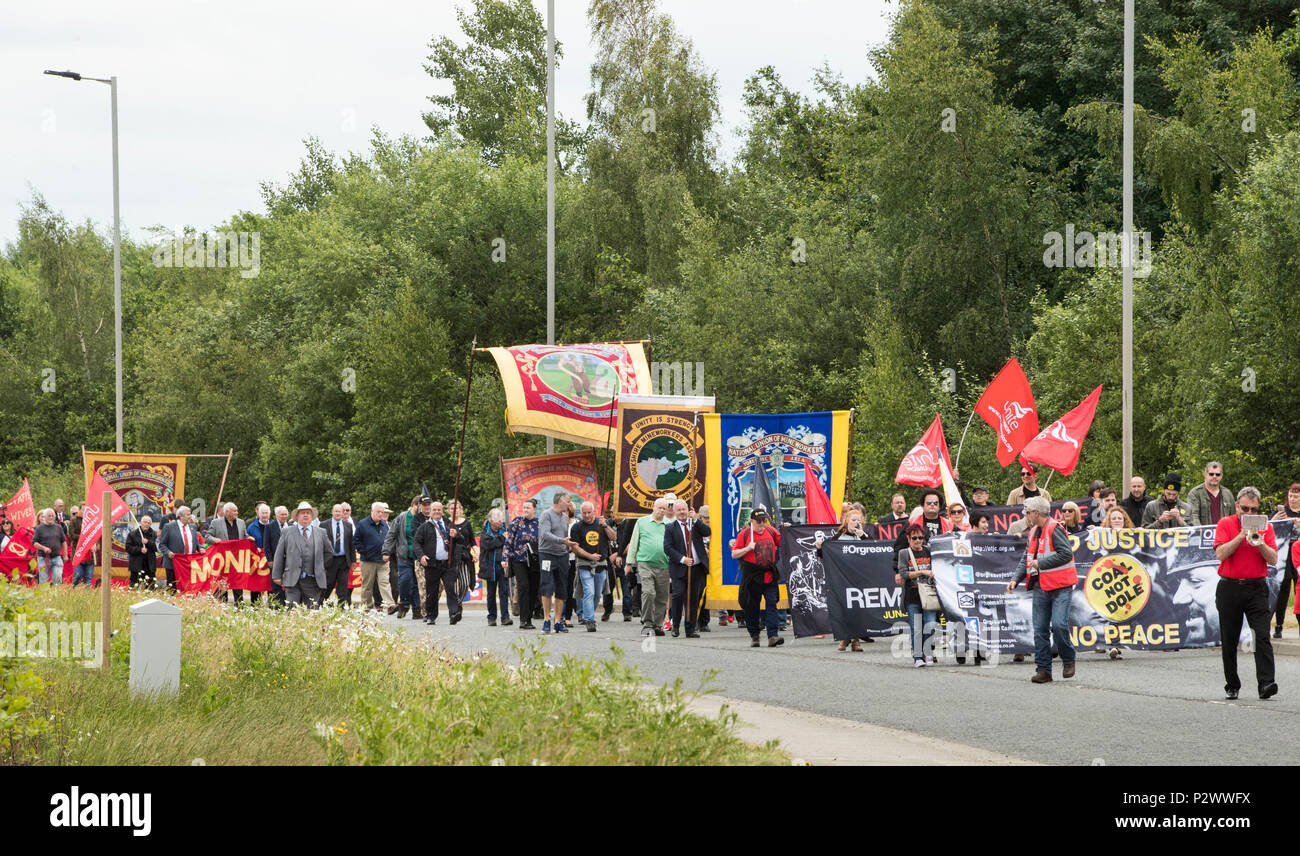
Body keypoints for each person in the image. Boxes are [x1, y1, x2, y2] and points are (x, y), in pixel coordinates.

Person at [1213, 487, 1278, 700]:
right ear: (1236, 506)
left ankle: (1266, 683)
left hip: (1256, 587)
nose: (1249, 514)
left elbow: (1273, 559)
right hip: (1230, 586)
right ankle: (1232, 684)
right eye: (1245, 509)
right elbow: (1221, 553)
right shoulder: (1225, 523)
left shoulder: (1265, 527)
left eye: (1254, 510)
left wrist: (1259, 544)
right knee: (1229, 638)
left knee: (1262, 636)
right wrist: (1242, 534)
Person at [1006, 496, 1078, 683]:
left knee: (1059, 625)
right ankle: (1044, 670)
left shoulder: (1054, 528)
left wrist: (1041, 563)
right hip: (1041, 586)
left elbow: (1066, 553)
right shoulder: (1033, 532)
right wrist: (1015, 579)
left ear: (1036, 513)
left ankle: (1068, 658)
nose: (1025, 515)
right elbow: (1026, 559)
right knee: (1040, 630)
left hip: (1061, 586)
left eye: (1027, 512)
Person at [816, 507, 874, 651]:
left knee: (857, 608)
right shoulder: (838, 538)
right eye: (853, 520)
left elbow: (874, 549)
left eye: (858, 520)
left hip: (859, 577)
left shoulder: (864, 536)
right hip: (843, 578)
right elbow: (826, 554)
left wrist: (862, 535)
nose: (856, 523)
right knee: (844, 608)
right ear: (846, 521)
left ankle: (855, 640)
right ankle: (845, 637)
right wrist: (819, 548)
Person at [732, 504, 784, 648]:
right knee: (752, 607)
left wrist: (787, 529)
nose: (762, 523)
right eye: (758, 521)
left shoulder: (771, 531)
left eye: (764, 520)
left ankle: (773, 635)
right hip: (752, 576)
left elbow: (784, 541)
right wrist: (748, 548)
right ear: (752, 521)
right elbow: (734, 554)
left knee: (772, 604)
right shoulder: (745, 534)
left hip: (769, 574)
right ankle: (754, 635)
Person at [626, 496, 673, 638]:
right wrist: (629, 563)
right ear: (653, 507)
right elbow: (634, 543)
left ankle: (657, 625)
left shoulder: (669, 524)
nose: (662, 511)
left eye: (664, 508)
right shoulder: (642, 522)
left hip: (664, 565)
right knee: (648, 592)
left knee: (661, 597)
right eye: (660, 508)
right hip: (645, 563)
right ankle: (647, 623)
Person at [663, 500, 709, 638]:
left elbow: (708, 531)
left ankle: (690, 629)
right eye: (679, 510)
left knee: (693, 598)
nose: (682, 512)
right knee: (678, 595)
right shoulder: (670, 527)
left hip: (696, 568)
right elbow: (668, 548)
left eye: (684, 509)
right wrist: (683, 559)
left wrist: (696, 518)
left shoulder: (695, 524)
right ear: (675, 512)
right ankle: (675, 626)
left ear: (688, 510)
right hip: (679, 568)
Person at [569, 501, 615, 632]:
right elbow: (575, 548)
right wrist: (590, 556)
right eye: (584, 513)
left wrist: (605, 526)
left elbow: (614, 537)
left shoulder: (602, 524)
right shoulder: (576, 527)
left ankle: (590, 614)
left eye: (589, 513)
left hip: (601, 564)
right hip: (584, 564)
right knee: (589, 592)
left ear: (594, 512)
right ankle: (589, 620)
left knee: (596, 594)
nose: (587, 515)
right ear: (581, 513)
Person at [273, 501, 328, 608]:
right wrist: (276, 575)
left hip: (313, 581)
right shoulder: (287, 532)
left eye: (308, 513)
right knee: (291, 610)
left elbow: (328, 553)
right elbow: (279, 554)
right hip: (292, 579)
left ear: (312, 516)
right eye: (303, 513)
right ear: (297, 516)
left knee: (313, 611)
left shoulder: (321, 532)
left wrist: (319, 567)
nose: (306, 515)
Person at [897, 524, 938, 666]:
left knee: (931, 625)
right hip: (912, 595)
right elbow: (903, 573)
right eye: (914, 538)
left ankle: (928, 653)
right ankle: (918, 657)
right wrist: (922, 572)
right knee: (916, 628)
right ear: (908, 539)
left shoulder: (929, 550)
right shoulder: (904, 553)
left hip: (928, 595)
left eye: (920, 537)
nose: (917, 540)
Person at [415, 500, 459, 625]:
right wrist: (421, 556)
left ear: (442, 511)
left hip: (448, 564)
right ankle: (431, 616)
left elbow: (460, 540)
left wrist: (456, 535)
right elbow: (416, 542)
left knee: (450, 588)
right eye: (434, 510)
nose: (437, 512)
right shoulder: (424, 526)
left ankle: (454, 614)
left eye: (439, 509)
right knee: (432, 591)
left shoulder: (449, 524)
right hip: (432, 564)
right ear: (430, 512)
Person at [536, 491, 574, 634]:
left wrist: (568, 546)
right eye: (568, 501)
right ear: (560, 501)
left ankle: (558, 621)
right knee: (547, 586)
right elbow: (545, 534)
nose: (569, 504)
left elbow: (564, 536)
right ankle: (547, 619)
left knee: (562, 588)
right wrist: (562, 541)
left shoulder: (565, 517)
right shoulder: (546, 514)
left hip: (562, 556)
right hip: (547, 554)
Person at [505, 499, 540, 629]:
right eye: (524, 507)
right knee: (523, 586)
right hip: (519, 560)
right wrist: (505, 558)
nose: (525, 510)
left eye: (528, 508)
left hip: (535, 561)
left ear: (534, 509)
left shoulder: (539, 523)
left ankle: (529, 618)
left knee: (534, 589)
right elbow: (509, 541)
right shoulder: (517, 522)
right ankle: (523, 620)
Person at [1271, 483, 1300, 638]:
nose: (1293, 499)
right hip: (1284, 553)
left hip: (1299, 553)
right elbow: (1269, 527)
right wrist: (1275, 518)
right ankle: (1279, 625)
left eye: (1296, 496)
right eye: (1290, 496)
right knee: (1283, 589)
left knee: (1299, 589)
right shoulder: (1281, 512)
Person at [354, 502, 391, 612]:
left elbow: (389, 540)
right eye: (378, 512)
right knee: (367, 585)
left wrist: (388, 552)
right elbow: (356, 541)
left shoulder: (384, 525)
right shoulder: (362, 524)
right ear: (372, 512)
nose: (380, 514)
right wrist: (365, 552)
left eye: (382, 512)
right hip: (368, 560)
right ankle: (366, 606)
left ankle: (390, 604)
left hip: (383, 560)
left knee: (385, 582)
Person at [479, 507, 512, 626]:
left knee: (504, 591)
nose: (501, 522)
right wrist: (502, 538)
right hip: (490, 567)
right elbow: (488, 545)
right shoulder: (485, 531)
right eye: (498, 521)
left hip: (502, 565)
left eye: (501, 520)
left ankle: (505, 616)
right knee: (491, 593)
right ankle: (492, 617)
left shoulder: (504, 529)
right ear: (492, 521)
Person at [318, 504, 355, 608]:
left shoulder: (348, 525)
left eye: (340, 511)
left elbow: (351, 544)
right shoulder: (324, 525)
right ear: (332, 512)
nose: (338, 513)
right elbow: (320, 544)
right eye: (336, 511)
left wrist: (353, 561)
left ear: (343, 513)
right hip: (330, 560)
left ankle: (341, 608)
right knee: (328, 584)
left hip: (344, 560)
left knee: (343, 586)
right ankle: (320, 604)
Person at [247, 503, 283, 605]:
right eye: (262, 513)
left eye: (266, 513)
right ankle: (255, 605)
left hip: (272, 558)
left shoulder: (274, 525)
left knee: (272, 582)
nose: (264, 515)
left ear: (270, 513)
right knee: (256, 583)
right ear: (258, 513)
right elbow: (246, 541)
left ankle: (273, 604)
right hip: (256, 560)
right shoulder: (251, 527)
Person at [157, 506, 199, 591]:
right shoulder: (169, 527)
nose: (190, 516)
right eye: (188, 514)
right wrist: (168, 552)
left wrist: (200, 548)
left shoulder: (193, 527)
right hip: (173, 564)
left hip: (188, 564)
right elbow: (162, 544)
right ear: (181, 516)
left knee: (187, 588)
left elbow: (195, 543)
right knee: (173, 589)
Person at [446, 499, 476, 609]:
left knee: (465, 582)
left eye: (457, 508)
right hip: (450, 558)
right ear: (448, 510)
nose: (455, 510)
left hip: (464, 557)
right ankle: (455, 606)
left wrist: (476, 553)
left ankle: (457, 602)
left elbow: (472, 541)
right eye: (452, 508)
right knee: (451, 584)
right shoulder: (445, 522)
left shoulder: (466, 523)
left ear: (461, 509)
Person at [1186, 461, 1234, 527]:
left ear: (1221, 476)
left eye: (1217, 474)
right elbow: (1193, 517)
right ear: (1205, 474)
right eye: (1211, 474)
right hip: (1203, 535)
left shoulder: (1228, 494)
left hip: (1224, 535)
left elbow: (1233, 518)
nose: (1214, 476)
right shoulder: (1195, 493)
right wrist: (1201, 532)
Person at [125, 516, 159, 589]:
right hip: (136, 565)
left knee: (151, 587)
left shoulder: (154, 534)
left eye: (148, 523)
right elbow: (128, 548)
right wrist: (139, 550)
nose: (146, 524)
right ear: (141, 523)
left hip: (149, 566)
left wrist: (148, 542)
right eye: (145, 522)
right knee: (134, 587)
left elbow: (157, 547)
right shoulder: (132, 534)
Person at [33, 509, 65, 585]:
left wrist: (65, 555)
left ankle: (57, 596)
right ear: (45, 517)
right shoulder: (39, 528)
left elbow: (63, 541)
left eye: (52, 516)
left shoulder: (59, 527)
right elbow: (34, 542)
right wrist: (44, 548)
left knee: (58, 579)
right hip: (43, 558)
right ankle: (44, 596)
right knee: (44, 580)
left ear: (55, 517)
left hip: (57, 557)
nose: (51, 517)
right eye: (49, 516)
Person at [66, 506, 95, 587]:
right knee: (78, 575)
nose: (85, 512)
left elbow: (95, 535)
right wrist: (84, 537)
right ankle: (75, 592)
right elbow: (72, 536)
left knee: (88, 578)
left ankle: (87, 597)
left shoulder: (92, 521)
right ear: (80, 510)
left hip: (90, 554)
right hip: (77, 553)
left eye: (87, 510)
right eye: (83, 510)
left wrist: (94, 543)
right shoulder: (74, 520)